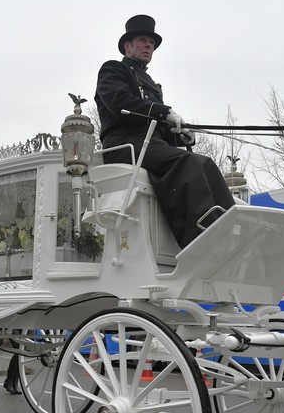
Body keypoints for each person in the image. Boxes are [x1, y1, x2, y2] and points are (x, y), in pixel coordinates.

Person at [95, 14, 236, 248]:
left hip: (151, 145)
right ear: (127, 46)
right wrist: (164, 112)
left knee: (205, 163)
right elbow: (121, 104)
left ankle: (229, 226)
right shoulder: (114, 70)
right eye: (143, 40)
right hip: (124, 144)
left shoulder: (151, 82)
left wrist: (179, 135)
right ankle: (200, 236)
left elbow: (157, 128)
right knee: (187, 164)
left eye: (151, 42)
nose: (149, 45)